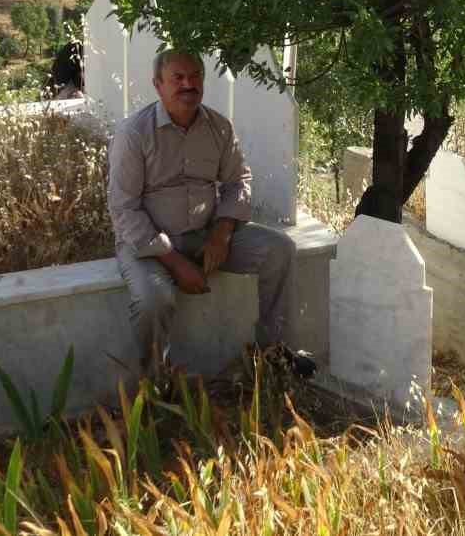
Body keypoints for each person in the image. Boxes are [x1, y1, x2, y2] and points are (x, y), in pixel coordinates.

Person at [107, 49, 315, 378]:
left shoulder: (219, 127)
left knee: (280, 250)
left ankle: (274, 356)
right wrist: (175, 262)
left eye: (195, 77)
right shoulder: (134, 134)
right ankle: (155, 386)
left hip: (207, 235)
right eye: (178, 78)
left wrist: (222, 233)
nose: (188, 84)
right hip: (150, 246)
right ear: (158, 85)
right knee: (153, 300)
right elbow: (123, 207)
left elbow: (238, 181)